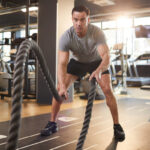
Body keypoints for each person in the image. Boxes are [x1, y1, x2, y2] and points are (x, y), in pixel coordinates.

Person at [41, 5, 125, 141]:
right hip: (77, 62)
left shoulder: (96, 33)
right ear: (72, 19)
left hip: (96, 62)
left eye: (82, 19)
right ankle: (52, 123)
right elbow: (62, 63)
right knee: (58, 90)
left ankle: (117, 126)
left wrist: (98, 71)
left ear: (88, 20)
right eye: (76, 19)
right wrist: (62, 86)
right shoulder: (66, 37)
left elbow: (106, 56)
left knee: (107, 89)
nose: (79, 23)